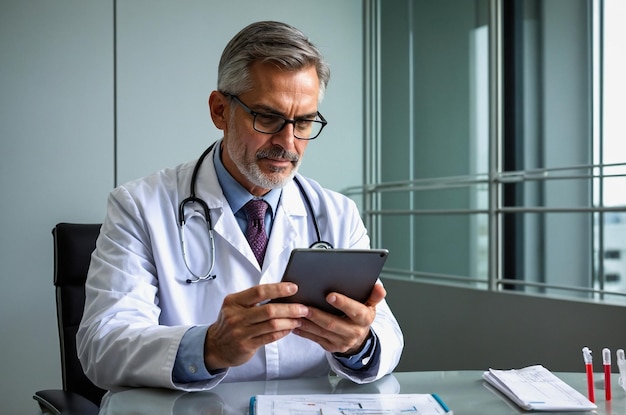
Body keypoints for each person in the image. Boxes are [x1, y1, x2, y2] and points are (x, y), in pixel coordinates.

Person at [77, 20, 403, 392]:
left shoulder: (336, 214)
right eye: (268, 117)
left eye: (304, 122)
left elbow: (385, 334)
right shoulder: (139, 206)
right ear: (220, 110)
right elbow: (102, 346)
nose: (288, 143)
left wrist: (357, 343)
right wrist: (210, 346)